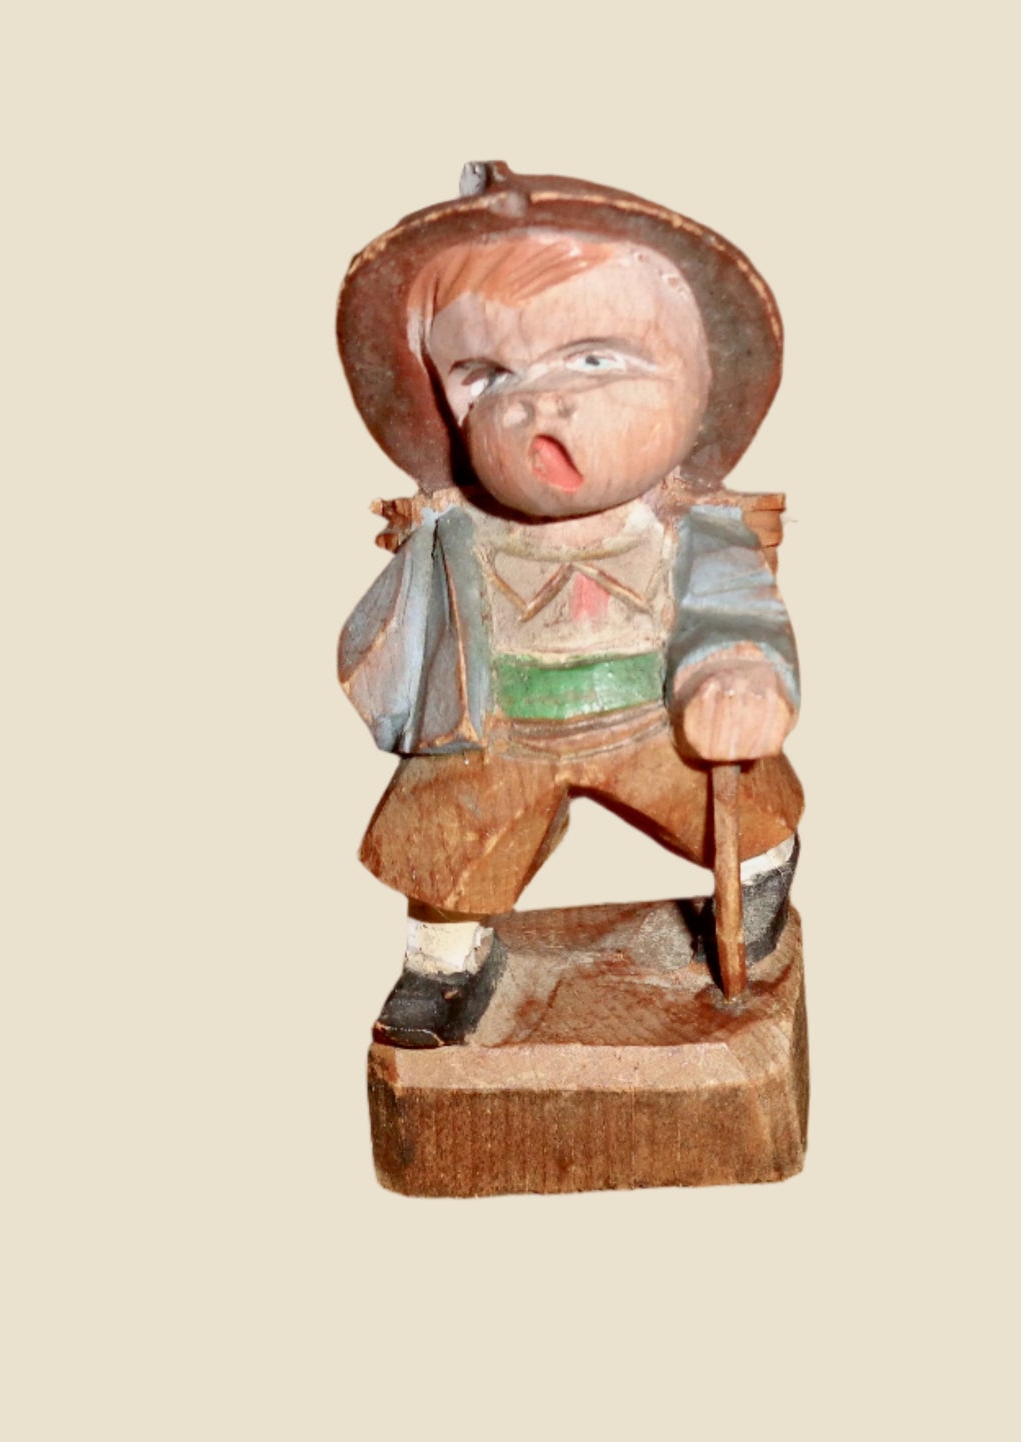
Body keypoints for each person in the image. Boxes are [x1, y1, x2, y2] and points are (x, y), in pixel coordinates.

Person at [337, 164, 802, 1046]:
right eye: (484, 376)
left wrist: (736, 673)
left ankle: (761, 876)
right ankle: (444, 965)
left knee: (739, 808)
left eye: (594, 358)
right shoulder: (457, 535)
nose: (536, 403)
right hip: (499, 732)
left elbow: (737, 609)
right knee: (447, 849)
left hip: (655, 719)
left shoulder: (689, 529)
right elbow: (387, 638)